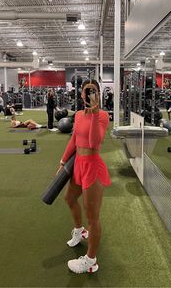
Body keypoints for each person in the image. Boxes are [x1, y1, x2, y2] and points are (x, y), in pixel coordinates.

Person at [57, 79, 111, 274]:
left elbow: (94, 141)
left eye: (93, 91)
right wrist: (63, 161)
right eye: (86, 91)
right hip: (77, 164)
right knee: (69, 199)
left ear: (98, 94)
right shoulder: (78, 115)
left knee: (92, 216)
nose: (89, 94)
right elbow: (74, 139)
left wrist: (95, 113)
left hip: (93, 166)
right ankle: (79, 231)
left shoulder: (103, 116)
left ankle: (90, 260)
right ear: (81, 94)